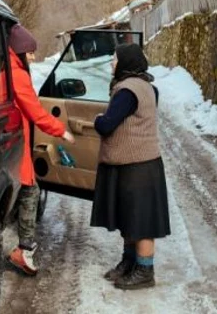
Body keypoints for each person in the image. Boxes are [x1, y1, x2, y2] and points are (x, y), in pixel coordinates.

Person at [90, 43, 171, 290]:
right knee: (130, 217)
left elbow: (107, 125)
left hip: (137, 167)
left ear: (125, 62)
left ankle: (145, 270)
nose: (112, 63)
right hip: (139, 164)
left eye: (114, 59)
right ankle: (130, 262)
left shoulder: (127, 91)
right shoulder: (148, 86)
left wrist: (97, 120)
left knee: (141, 221)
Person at [6, 24, 75, 276]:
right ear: (20, 51)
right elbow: (34, 110)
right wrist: (61, 130)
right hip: (14, 141)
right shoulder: (17, 73)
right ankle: (23, 251)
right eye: (30, 52)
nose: (33, 57)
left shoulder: (5, 67)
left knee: (25, 188)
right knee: (30, 190)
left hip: (9, 138)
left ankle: (21, 247)